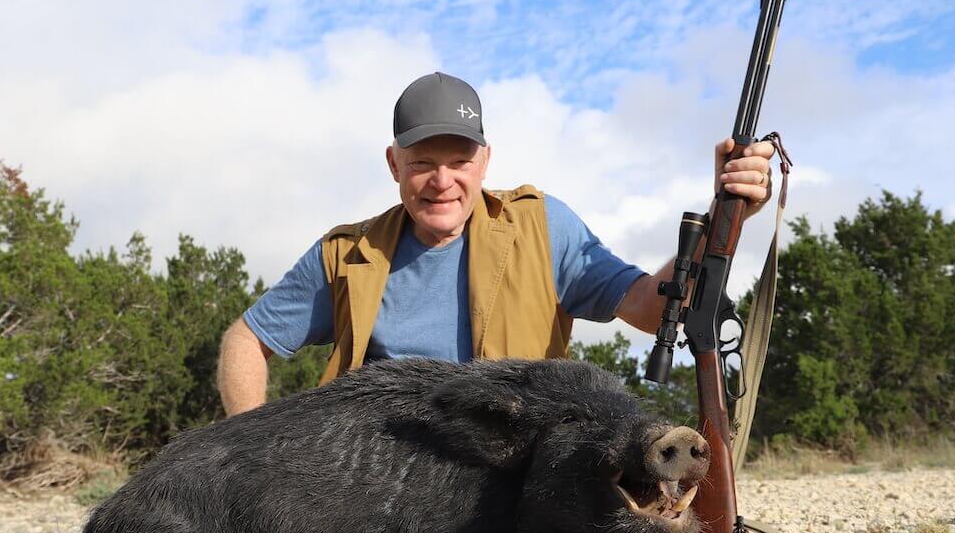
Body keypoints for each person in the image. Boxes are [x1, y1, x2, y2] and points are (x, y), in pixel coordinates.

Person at [218, 72, 774, 415]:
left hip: (510, 465)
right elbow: (245, 340)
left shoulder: (543, 228)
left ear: (485, 161)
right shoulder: (346, 255)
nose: (443, 182)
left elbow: (654, 311)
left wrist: (727, 213)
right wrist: (249, 452)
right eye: (422, 165)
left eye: (460, 162)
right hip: (378, 475)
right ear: (394, 165)